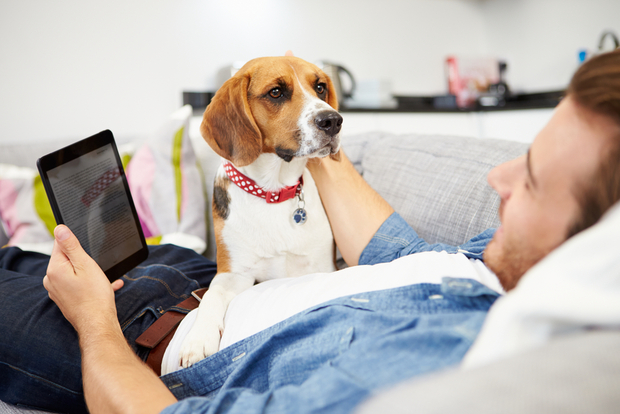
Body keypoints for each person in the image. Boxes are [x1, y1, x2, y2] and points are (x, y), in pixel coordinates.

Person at [1, 49, 619, 414]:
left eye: (533, 180)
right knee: (43, 251)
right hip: (197, 276)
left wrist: (94, 323)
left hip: (139, 336)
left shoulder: (434, 363)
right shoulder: (487, 261)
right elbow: (390, 246)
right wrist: (313, 126)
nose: (499, 176)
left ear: (588, 247)